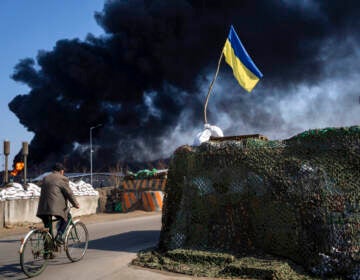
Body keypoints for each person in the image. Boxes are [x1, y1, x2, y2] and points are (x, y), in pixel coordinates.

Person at [37, 163, 79, 244]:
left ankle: (47, 253)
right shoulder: (62, 178)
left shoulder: (45, 178)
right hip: (54, 207)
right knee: (67, 218)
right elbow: (69, 193)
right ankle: (59, 236)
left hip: (43, 208)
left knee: (48, 230)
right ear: (61, 171)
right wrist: (75, 204)